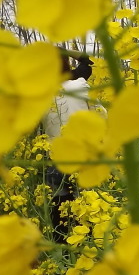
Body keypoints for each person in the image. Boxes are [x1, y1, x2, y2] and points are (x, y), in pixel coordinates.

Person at [42, 49, 94, 240]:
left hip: (57, 159)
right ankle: (88, 254)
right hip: (84, 157)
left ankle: (63, 258)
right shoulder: (80, 85)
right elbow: (87, 63)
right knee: (88, 213)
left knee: (59, 217)